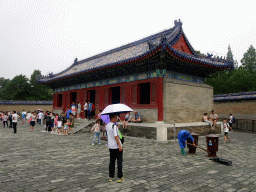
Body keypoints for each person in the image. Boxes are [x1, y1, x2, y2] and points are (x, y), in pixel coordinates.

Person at [105, 114, 124, 183]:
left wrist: (116, 128)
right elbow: (116, 137)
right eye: (116, 117)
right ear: (113, 118)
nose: (117, 118)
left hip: (111, 146)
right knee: (119, 162)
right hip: (116, 146)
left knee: (112, 162)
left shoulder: (107, 125)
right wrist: (120, 145)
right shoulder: (114, 126)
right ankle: (119, 176)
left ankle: (111, 176)